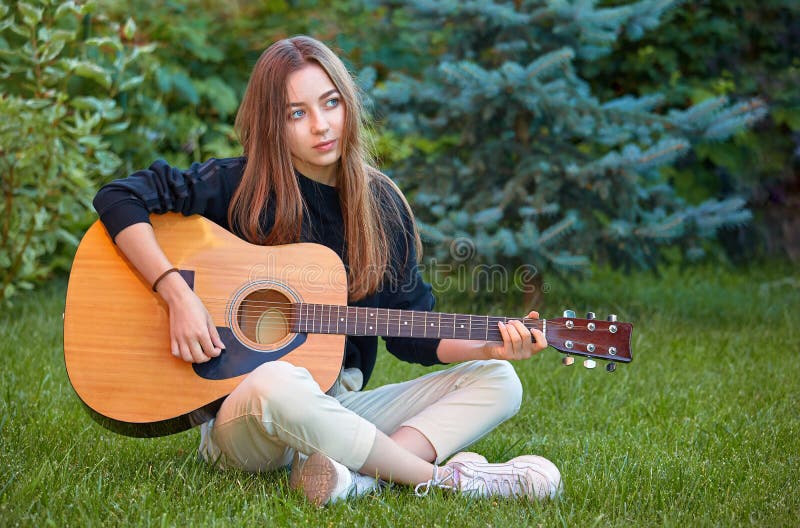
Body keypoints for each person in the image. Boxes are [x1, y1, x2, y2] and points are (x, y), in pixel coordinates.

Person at [93, 35, 562, 506]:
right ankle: (446, 481)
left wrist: (489, 343)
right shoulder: (238, 186)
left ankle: (356, 478)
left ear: (348, 103)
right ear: (271, 124)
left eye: (331, 103)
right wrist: (177, 294)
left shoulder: (379, 207)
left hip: (336, 407)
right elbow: (119, 197)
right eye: (297, 113)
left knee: (499, 380)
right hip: (248, 421)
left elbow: (412, 332)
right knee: (280, 380)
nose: (321, 125)